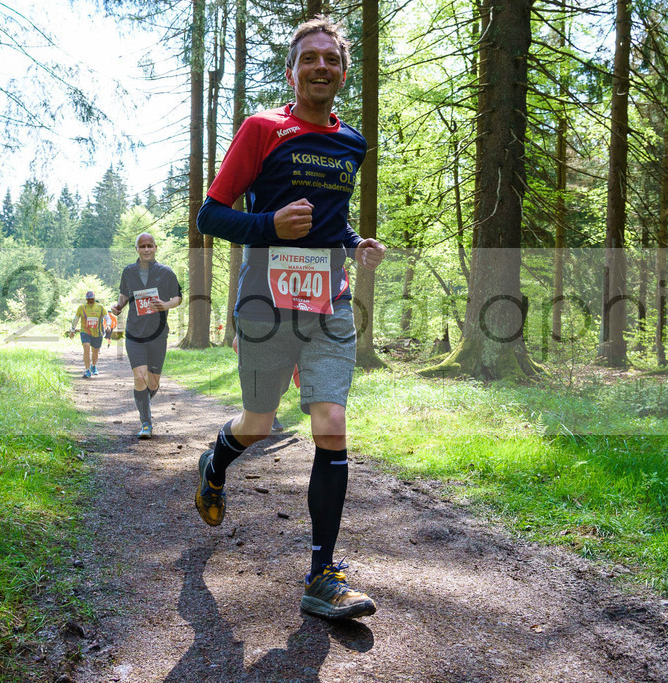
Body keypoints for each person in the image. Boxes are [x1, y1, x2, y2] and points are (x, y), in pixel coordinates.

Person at [194, 17, 387, 621]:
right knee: (260, 419)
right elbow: (210, 216)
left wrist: (354, 242)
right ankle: (217, 461)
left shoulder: (352, 143)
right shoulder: (263, 130)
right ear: (292, 70)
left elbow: (330, 217)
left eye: (332, 57)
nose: (322, 66)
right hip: (265, 304)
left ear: (344, 70)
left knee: (331, 420)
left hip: (329, 302)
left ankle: (322, 573)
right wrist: (270, 226)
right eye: (310, 58)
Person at [111, 232, 182, 439]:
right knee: (140, 377)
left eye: (150, 245)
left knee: (152, 383)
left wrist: (166, 305)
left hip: (158, 334)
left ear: (156, 248)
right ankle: (146, 423)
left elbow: (178, 297)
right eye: (142, 246)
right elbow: (124, 293)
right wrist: (119, 306)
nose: (146, 249)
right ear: (137, 249)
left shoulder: (165, 272)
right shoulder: (129, 272)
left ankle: (143, 402)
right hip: (135, 333)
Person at [69, 290, 112, 379]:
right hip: (85, 331)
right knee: (86, 346)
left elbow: (108, 318)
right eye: (88, 299)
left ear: (94, 298)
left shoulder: (100, 307)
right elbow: (76, 319)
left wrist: (108, 325)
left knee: (95, 351)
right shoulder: (82, 308)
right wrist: (72, 330)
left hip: (97, 333)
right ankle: (87, 370)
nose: (90, 301)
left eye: (92, 299)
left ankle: (93, 365)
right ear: (86, 299)